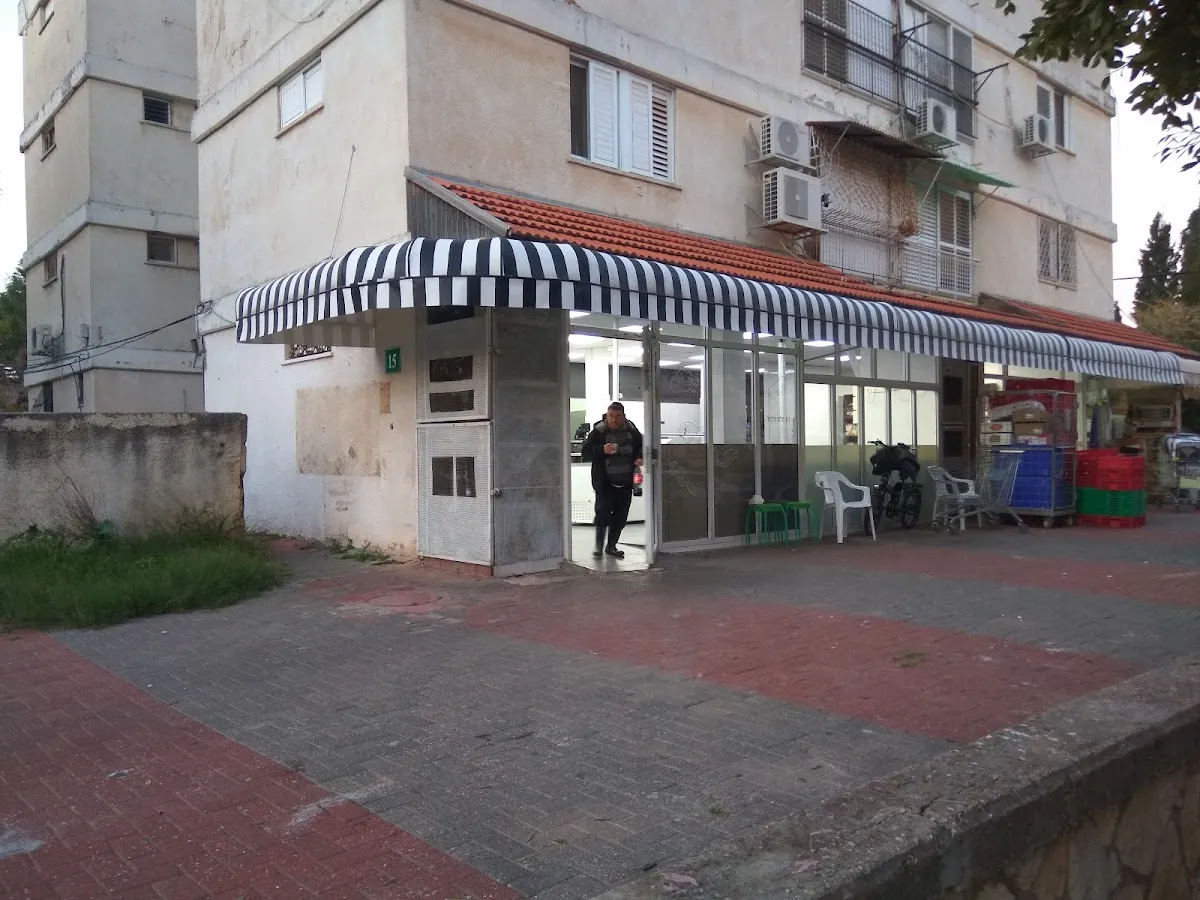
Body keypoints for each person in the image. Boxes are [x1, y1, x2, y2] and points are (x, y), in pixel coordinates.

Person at [580, 402, 643, 559]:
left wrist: (640, 457)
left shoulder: (632, 430)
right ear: (606, 415)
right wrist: (602, 449)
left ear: (624, 416)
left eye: (617, 416)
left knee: (621, 517)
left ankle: (611, 546)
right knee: (602, 516)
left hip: (626, 483)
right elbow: (585, 453)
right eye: (611, 416)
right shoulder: (599, 432)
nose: (614, 420)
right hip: (605, 483)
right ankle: (598, 547)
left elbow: (641, 446)